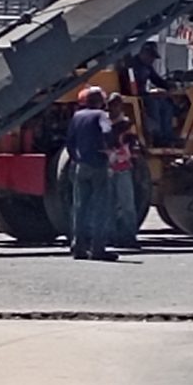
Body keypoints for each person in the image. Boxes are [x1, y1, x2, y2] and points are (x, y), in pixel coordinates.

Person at [65, 87, 117, 261]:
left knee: (80, 207)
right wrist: (110, 149)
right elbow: (107, 132)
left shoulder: (76, 117)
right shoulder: (101, 115)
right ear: (100, 101)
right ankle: (97, 249)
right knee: (101, 207)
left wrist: (76, 158)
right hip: (98, 164)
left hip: (81, 165)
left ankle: (78, 247)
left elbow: (70, 142)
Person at [124, 41, 179, 145]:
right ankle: (156, 136)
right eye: (151, 56)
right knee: (154, 104)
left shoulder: (147, 67)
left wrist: (169, 86)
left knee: (167, 105)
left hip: (144, 95)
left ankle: (167, 135)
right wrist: (144, 95)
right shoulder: (131, 65)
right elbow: (130, 85)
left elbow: (156, 79)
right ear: (144, 53)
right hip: (134, 96)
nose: (152, 60)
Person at [106, 94, 143, 250]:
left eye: (115, 105)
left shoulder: (125, 124)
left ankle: (128, 236)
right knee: (111, 205)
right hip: (110, 168)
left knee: (126, 205)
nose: (112, 108)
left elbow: (133, 145)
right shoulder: (107, 122)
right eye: (111, 105)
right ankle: (112, 236)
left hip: (121, 167)